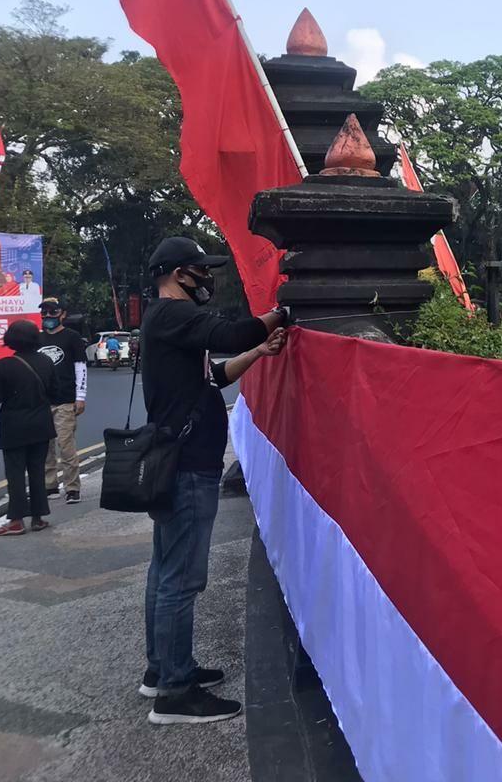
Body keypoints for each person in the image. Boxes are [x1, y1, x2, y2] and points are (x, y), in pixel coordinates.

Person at [139, 236, 287, 725]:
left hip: (176, 461)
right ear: (180, 274)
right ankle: (175, 694)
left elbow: (214, 377)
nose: (208, 279)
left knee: (165, 571)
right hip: (187, 465)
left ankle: (162, 670)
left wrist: (261, 351)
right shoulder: (172, 314)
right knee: (181, 580)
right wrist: (283, 313)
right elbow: (234, 332)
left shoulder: (166, 323)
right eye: (202, 271)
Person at [0, 320, 58, 537]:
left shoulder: (4, 366)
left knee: (16, 473)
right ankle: (38, 517)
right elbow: (55, 394)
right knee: (37, 471)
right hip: (41, 424)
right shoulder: (47, 363)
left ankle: (16, 520)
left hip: (14, 426)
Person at [38, 298, 87, 504]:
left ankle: (72, 488)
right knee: (44, 447)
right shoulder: (36, 339)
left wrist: (81, 396)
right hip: (41, 401)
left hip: (65, 400)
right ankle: (50, 485)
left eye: (53, 312)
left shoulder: (72, 337)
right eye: (45, 313)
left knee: (66, 445)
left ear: (63, 314)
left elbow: (80, 367)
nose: (48, 316)